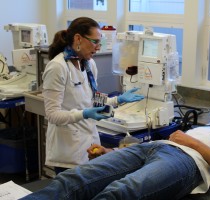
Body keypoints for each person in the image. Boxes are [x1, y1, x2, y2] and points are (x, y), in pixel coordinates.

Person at [21, 105, 210, 200]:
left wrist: (194, 144)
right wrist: (111, 151)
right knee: (74, 180)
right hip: (152, 149)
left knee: (119, 193)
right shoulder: (208, 128)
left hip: (187, 162)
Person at [42, 17, 144, 174]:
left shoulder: (89, 64)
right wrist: (84, 113)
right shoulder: (57, 67)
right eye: (95, 42)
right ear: (78, 39)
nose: (98, 47)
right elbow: (52, 115)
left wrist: (118, 99)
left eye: (100, 42)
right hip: (68, 151)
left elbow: (93, 102)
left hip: (90, 146)